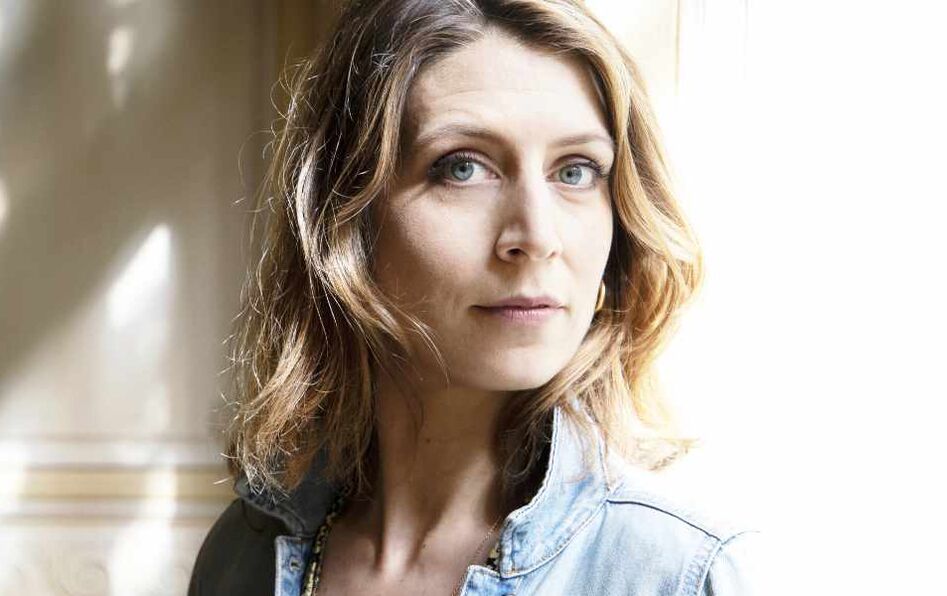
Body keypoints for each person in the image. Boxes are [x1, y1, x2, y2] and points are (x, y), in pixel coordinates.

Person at [188, 0, 760, 594]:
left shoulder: (685, 573)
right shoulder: (243, 552)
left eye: (575, 171)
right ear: (344, 218)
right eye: (463, 168)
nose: (537, 237)